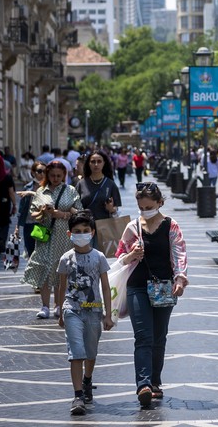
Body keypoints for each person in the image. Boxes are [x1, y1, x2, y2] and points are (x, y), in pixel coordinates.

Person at [115, 182, 188, 406]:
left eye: (149, 206)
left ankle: (155, 381)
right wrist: (131, 255)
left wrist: (180, 279)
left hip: (164, 286)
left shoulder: (171, 225)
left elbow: (179, 252)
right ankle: (143, 384)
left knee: (159, 337)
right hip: (137, 286)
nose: (145, 211)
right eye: (141, 207)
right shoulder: (132, 227)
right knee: (143, 337)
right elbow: (119, 257)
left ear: (159, 203)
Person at [56, 211, 114, 416]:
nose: (81, 234)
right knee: (76, 353)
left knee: (90, 352)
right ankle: (78, 395)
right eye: (77, 231)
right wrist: (60, 311)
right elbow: (61, 286)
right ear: (70, 234)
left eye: (85, 231)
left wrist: (108, 314)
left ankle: (87, 380)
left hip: (93, 311)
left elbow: (106, 287)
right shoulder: (65, 258)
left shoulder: (98, 257)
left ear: (92, 232)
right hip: (72, 310)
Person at [23, 161, 83, 320]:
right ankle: (44, 306)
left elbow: (80, 212)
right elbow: (32, 214)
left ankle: (58, 304)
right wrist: (43, 212)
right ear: (47, 175)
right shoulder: (41, 191)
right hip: (44, 234)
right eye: (52, 176)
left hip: (63, 235)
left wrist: (61, 214)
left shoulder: (70, 190)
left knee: (60, 269)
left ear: (64, 175)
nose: (55, 178)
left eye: (59, 176)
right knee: (43, 267)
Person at [77, 151, 121, 243]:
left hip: (103, 228)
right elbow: (74, 205)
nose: (96, 164)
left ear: (104, 163)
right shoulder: (81, 183)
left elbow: (116, 209)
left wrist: (111, 209)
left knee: (100, 256)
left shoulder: (110, 184)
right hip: (84, 228)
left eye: (99, 161)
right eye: (93, 161)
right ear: (88, 164)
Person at [16, 161, 47, 257]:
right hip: (29, 224)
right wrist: (17, 228)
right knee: (30, 252)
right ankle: (32, 272)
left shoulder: (49, 187)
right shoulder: (27, 187)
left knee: (41, 253)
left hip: (42, 224)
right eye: (39, 171)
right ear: (33, 172)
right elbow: (21, 209)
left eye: (45, 171)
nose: (42, 174)